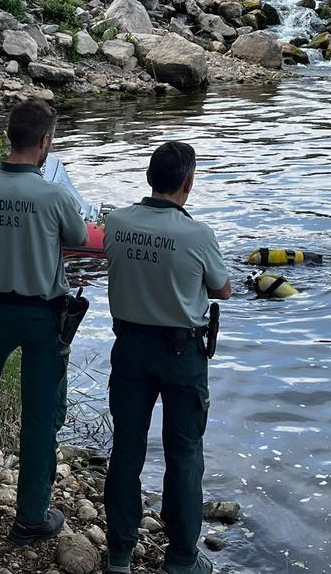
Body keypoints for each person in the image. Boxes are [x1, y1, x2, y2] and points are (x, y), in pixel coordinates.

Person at [0, 99, 88, 545]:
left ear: (9, 136)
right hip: (43, 316)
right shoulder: (55, 195)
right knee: (40, 412)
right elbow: (80, 239)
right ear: (45, 142)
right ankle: (31, 515)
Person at [102, 142, 232, 574]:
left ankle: (119, 554)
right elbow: (223, 288)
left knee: (126, 451)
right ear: (188, 184)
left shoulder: (117, 222)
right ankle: (180, 560)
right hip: (182, 355)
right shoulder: (197, 234)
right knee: (184, 454)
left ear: (148, 177)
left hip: (130, 349)